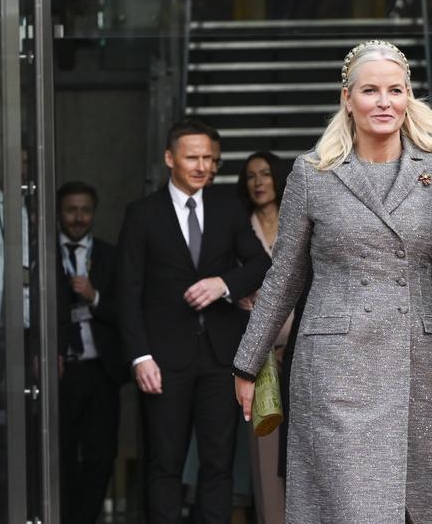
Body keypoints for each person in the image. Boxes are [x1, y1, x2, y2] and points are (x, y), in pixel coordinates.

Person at [234, 39, 432, 523]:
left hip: (421, 364)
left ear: (409, 97)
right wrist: (249, 362)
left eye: (395, 90)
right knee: (350, 505)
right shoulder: (313, 173)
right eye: (370, 91)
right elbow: (284, 275)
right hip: (336, 370)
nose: (383, 102)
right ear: (348, 98)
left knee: (430, 505)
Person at [116, 119, 270, 524]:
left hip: (221, 357)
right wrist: (140, 357)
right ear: (170, 159)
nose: (202, 166)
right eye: (192, 158)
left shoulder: (228, 208)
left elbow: (260, 263)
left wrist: (224, 283)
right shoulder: (142, 214)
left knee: (218, 464)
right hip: (163, 360)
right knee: (165, 465)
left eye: (209, 159)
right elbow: (127, 294)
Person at [55, 181, 126, 524]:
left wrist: (94, 296)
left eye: (85, 210)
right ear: (59, 212)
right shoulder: (42, 253)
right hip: (60, 370)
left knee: (100, 455)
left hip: (100, 369)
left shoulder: (111, 255)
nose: (78, 217)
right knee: (60, 454)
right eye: (71, 210)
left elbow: (126, 312)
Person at [235, 151, 291, 524]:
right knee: (266, 448)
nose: (258, 182)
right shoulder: (238, 227)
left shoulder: (298, 219)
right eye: (251, 176)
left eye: (265, 174)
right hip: (260, 353)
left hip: (304, 345)